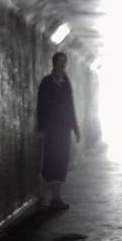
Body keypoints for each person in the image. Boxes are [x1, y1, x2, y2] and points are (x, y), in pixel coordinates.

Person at [36, 52, 80, 210]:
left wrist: (75, 128)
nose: (63, 65)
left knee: (61, 161)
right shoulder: (47, 82)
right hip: (51, 129)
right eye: (61, 62)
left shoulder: (66, 82)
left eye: (65, 62)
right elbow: (41, 106)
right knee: (50, 161)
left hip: (64, 129)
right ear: (54, 63)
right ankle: (43, 195)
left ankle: (56, 197)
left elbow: (70, 106)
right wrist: (41, 128)